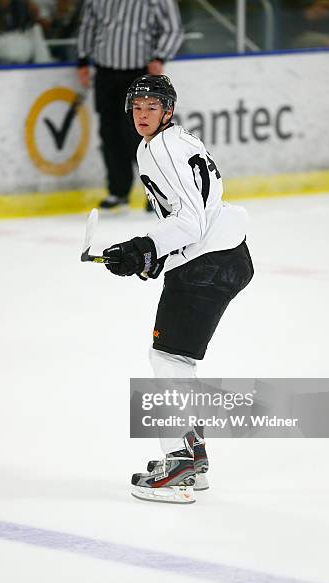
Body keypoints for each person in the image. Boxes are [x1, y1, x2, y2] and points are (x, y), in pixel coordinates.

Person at [101, 75, 254, 504]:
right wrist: (151, 256)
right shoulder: (173, 142)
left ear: (168, 110)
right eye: (137, 107)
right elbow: (193, 216)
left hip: (209, 262)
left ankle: (181, 461)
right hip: (225, 256)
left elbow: (190, 222)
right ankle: (192, 456)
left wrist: (144, 249)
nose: (142, 114)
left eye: (152, 107)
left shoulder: (162, 148)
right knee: (174, 357)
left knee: (168, 358)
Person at [77, 0, 183, 211]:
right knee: (109, 132)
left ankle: (156, 192)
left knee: (139, 133)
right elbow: (88, 24)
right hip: (105, 73)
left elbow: (173, 29)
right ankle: (118, 190)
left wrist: (160, 56)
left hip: (139, 74)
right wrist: (82, 59)